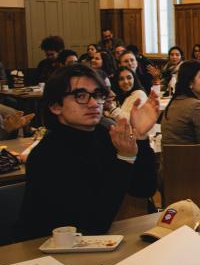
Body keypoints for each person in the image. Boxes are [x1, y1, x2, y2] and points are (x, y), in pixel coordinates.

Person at [16, 64, 158, 240]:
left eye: (98, 95)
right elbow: (92, 224)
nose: (93, 104)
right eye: (80, 96)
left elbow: (143, 189)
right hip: (45, 251)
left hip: (95, 244)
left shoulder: (105, 135)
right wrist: (125, 159)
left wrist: (141, 136)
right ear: (55, 106)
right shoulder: (47, 155)